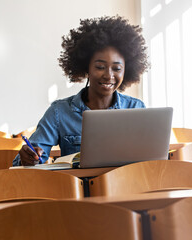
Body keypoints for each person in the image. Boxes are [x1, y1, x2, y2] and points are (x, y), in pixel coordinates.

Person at [13, 16, 149, 166]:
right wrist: (28, 158)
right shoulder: (59, 112)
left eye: (116, 69)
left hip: (126, 188)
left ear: (126, 71)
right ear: (86, 68)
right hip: (79, 188)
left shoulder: (136, 109)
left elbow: (149, 163)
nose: (109, 75)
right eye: (100, 67)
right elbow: (26, 162)